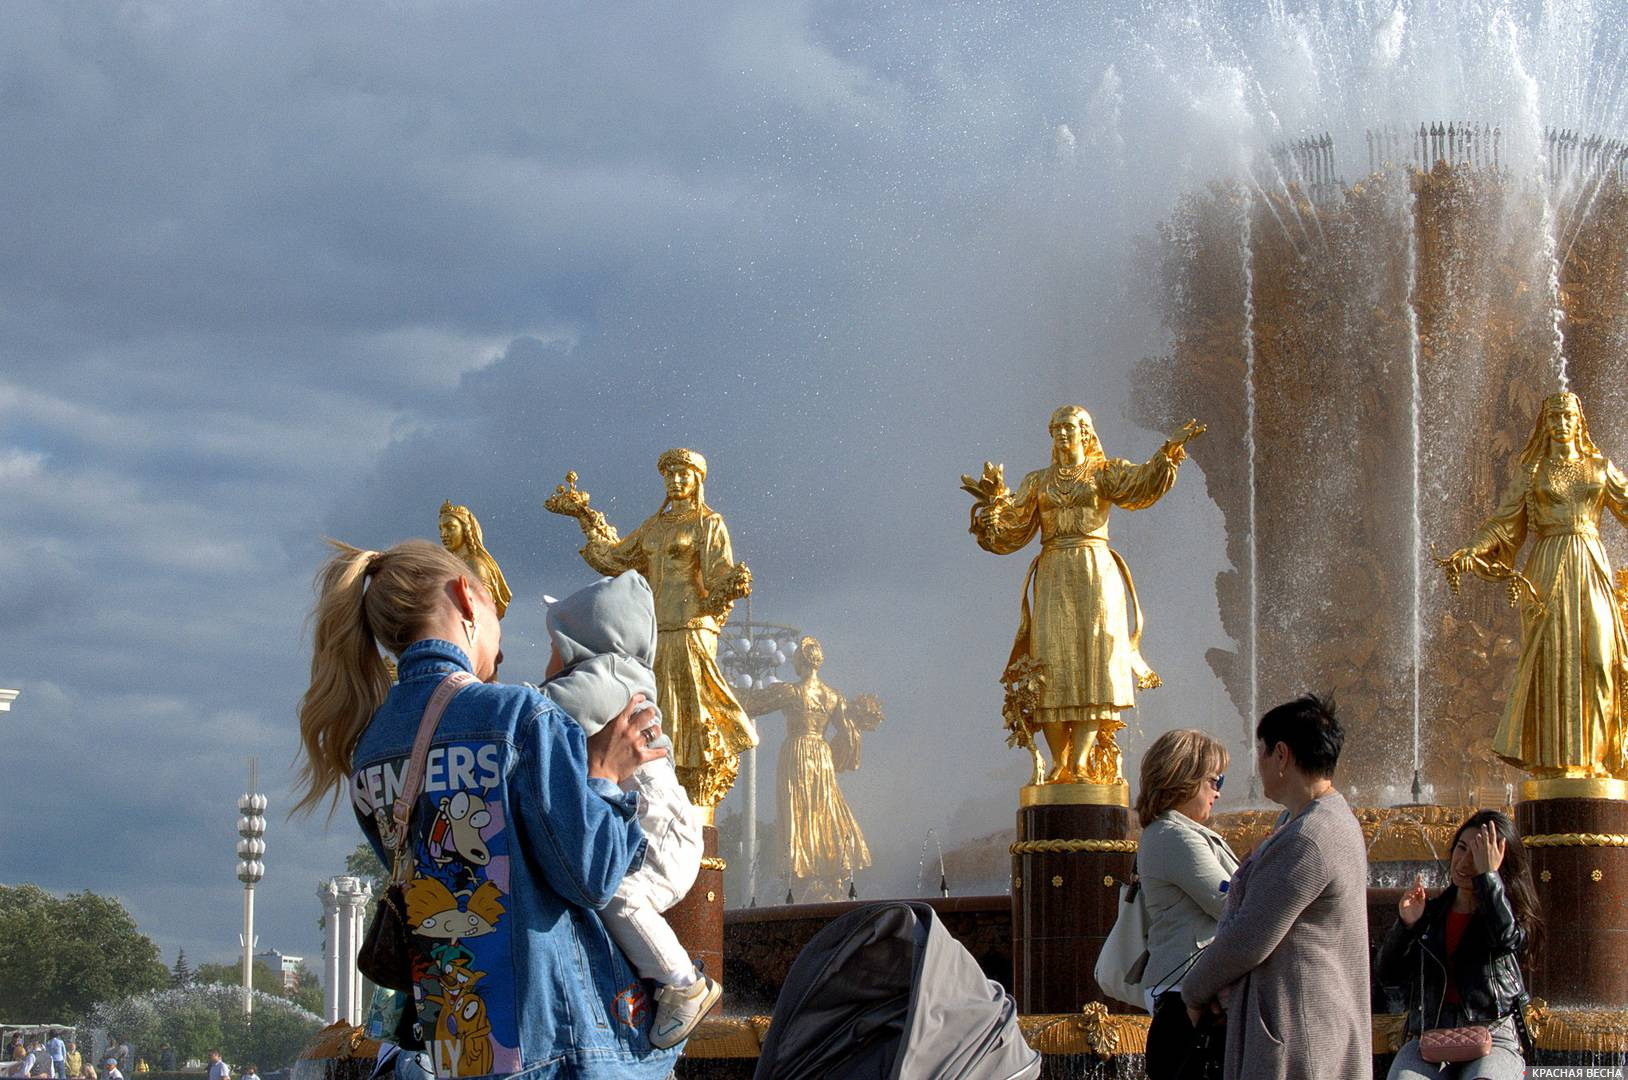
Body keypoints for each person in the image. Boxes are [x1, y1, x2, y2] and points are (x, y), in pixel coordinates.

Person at [293, 538, 679, 1078]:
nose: (501, 653)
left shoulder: (369, 749)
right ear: (465, 598)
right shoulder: (519, 716)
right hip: (559, 1042)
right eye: (498, 616)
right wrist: (606, 777)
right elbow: (591, 875)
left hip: (462, 1047)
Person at [968, 406, 1204, 783]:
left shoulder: (1103, 472)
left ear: (1085, 432)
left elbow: (1141, 484)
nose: (1062, 434)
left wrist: (1168, 453)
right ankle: (1059, 763)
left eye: (1069, 427)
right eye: (1056, 428)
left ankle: (1079, 763)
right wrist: (993, 509)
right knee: (1050, 668)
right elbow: (1012, 530)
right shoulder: (1038, 482)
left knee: (1095, 665)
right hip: (1053, 573)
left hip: (1095, 573)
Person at [540, 571, 718, 1048]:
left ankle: (684, 985)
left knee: (617, 895)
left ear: (586, 639)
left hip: (660, 832)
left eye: (555, 644)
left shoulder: (606, 678)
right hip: (656, 824)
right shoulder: (621, 674)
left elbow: (542, 711)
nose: (550, 658)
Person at [546, 449, 757, 807]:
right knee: (655, 711)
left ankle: (692, 797)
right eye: (670, 475)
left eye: (683, 474)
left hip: (691, 629)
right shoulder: (655, 526)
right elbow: (613, 558)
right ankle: (658, 784)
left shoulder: (708, 523)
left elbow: (719, 576)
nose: (675, 481)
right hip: (656, 632)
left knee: (694, 718)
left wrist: (732, 583)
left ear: (697, 480)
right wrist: (582, 514)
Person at [1181, 694, 1370, 1080]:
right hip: (1311, 1025)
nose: (1259, 764)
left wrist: (1194, 991)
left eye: (1262, 752)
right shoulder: (1316, 821)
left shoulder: (1309, 837)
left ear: (1282, 755)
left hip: (1301, 1036)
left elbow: (1248, 939)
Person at [1445, 390, 1628, 777]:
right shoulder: (1533, 473)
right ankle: (1555, 765)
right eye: (1554, 419)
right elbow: (1503, 522)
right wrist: (1471, 549)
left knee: (1599, 659)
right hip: (1546, 571)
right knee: (1551, 661)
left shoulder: (1600, 468)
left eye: (1567, 418)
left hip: (1591, 566)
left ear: (1580, 423)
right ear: (1544, 426)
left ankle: (1597, 760)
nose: (1561, 425)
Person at [1377, 811, 1541, 1079]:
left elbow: (1509, 940)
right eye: (1461, 848)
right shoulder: (1429, 914)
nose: (1464, 862)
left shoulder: (1510, 915)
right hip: (1432, 1037)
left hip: (1493, 1036)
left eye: (1477, 855)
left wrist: (1488, 877)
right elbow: (1388, 977)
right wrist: (1406, 926)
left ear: (1498, 862)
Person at [737, 636, 882, 901]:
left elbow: (752, 704)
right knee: (825, 810)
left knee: (798, 812)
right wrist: (835, 759)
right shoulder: (833, 697)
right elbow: (849, 734)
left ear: (800, 662)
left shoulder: (791, 692)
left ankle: (802, 874)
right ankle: (830, 871)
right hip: (822, 755)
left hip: (796, 753)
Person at [1135, 729, 1238, 1080]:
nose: (1218, 791)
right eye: (1214, 779)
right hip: (1186, 990)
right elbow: (1228, 904)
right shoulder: (1175, 837)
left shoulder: (1179, 832)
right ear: (1185, 777)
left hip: (1191, 986)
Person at [439, 501, 512, 619]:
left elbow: (483, 609)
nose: (443, 534)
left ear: (465, 529)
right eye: (441, 529)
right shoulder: (449, 565)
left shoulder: (475, 564)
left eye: (450, 528)